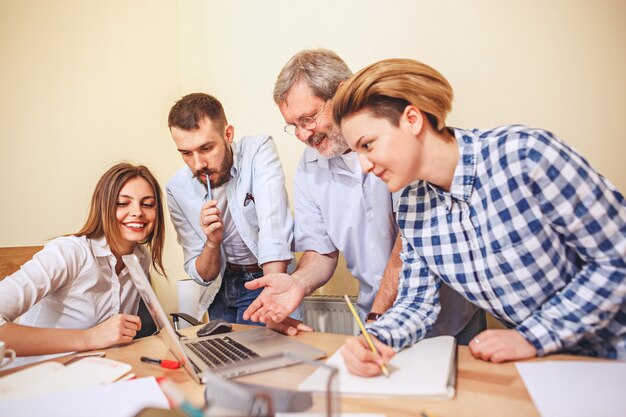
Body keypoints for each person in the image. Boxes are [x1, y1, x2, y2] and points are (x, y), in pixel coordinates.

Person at [330, 57, 626, 375]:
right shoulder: (411, 208)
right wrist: (376, 338)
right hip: (550, 366)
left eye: (368, 145)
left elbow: (617, 258)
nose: (365, 166)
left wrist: (532, 336)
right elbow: (416, 304)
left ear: (412, 119)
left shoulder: (525, 156)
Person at [243, 49, 484, 341]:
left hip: (447, 317)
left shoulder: (402, 145)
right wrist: (298, 283)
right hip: (377, 317)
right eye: (293, 125)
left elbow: (406, 247)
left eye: (308, 118)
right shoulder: (310, 168)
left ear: (343, 93)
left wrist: (376, 323)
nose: (303, 135)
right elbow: (321, 250)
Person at [0, 162, 166, 367]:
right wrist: (89, 338)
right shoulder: (69, 253)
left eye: (147, 204)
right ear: (103, 207)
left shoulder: (141, 258)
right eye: (122, 203)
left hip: (98, 373)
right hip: (37, 376)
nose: (137, 212)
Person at [166, 93, 299, 326]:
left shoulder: (258, 151)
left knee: (268, 359)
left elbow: (273, 229)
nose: (198, 165)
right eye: (186, 153)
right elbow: (203, 275)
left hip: (263, 279)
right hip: (219, 289)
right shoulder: (176, 189)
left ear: (228, 135)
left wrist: (273, 297)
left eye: (206, 148)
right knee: (226, 359)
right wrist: (211, 242)